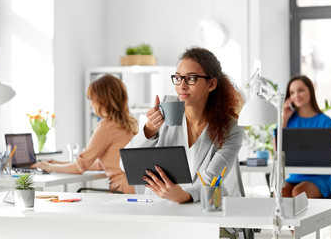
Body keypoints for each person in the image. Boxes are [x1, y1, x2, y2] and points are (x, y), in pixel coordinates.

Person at [125, 47, 245, 204]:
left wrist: (184, 196)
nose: (182, 85)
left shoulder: (231, 128)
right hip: (157, 206)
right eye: (178, 78)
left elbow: (211, 180)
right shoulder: (165, 111)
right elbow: (125, 165)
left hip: (202, 207)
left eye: (191, 78)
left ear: (211, 84)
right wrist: (149, 130)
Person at [31, 74, 138, 193]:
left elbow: (80, 167)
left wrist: (49, 167)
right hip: (135, 189)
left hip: (121, 191)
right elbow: (97, 165)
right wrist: (58, 163)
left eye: (92, 99)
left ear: (103, 100)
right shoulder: (128, 124)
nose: (91, 103)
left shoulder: (107, 126)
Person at [282, 75, 331, 198]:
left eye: (300, 90)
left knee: (299, 193)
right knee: (280, 192)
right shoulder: (289, 121)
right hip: (295, 176)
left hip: (321, 177)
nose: (296, 95)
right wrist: (284, 119)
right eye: (292, 92)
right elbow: (278, 151)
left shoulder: (324, 121)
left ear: (310, 91)